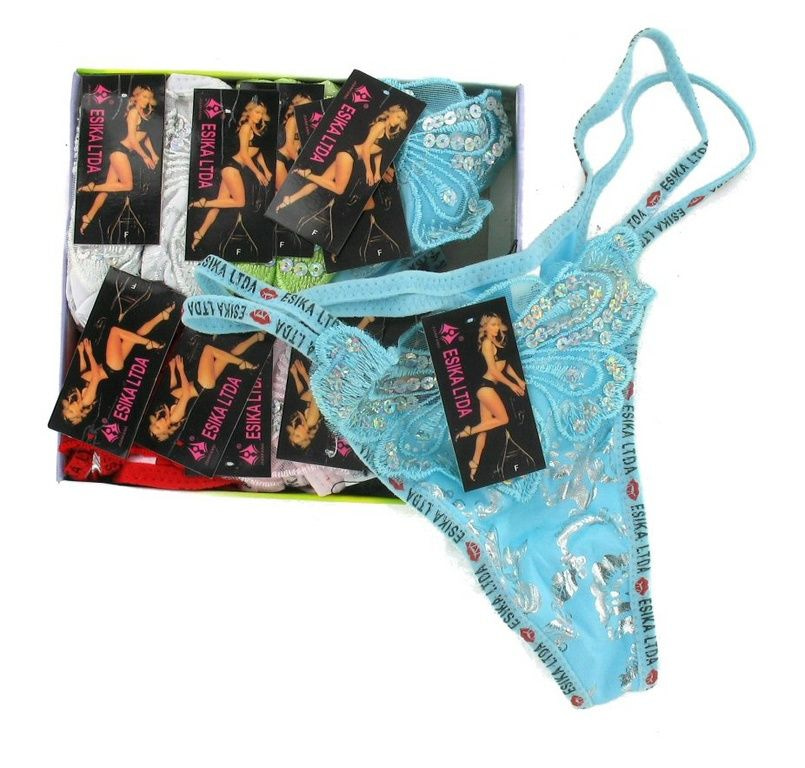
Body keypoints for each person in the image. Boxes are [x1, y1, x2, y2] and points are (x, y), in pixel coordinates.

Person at [275, 105, 408, 213]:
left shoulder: (388, 131)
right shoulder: (380, 125)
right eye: (397, 116)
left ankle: (290, 199)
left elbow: (378, 152)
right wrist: (369, 171)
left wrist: (378, 172)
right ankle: (307, 174)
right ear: (391, 112)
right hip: (349, 155)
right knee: (339, 189)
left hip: (349, 155)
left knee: (319, 183)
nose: (398, 121)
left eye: (401, 119)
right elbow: (366, 148)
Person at [61, 303, 174, 425]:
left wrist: (81, 353)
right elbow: (96, 376)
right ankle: (150, 343)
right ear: (78, 414)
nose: (70, 406)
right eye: (71, 411)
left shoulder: (79, 393)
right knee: (115, 331)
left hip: (111, 365)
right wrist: (89, 353)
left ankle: (162, 316)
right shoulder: (87, 400)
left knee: (136, 336)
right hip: (110, 366)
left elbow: (83, 371)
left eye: (68, 408)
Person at [188, 99, 273, 252]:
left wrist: (266, 170)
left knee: (220, 204)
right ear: (249, 112)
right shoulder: (246, 128)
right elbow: (244, 155)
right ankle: (202, 203)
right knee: (240, 202)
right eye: (257, 112)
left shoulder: (256, 129)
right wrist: (258, 173)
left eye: (262, 113)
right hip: (232, 167)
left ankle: (199, 234)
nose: (260, 116)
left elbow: (257, 152)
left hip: (234, 168)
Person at [148, 332, 265, 441]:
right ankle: (243, 363)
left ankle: (256, 337)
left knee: (229, 355)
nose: (157, 423)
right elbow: (186, 393)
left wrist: (173, 369)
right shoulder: (175, 417)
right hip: (202, 384)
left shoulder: (167, 411)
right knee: (208, 349)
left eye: (155, 424)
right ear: (165, 431)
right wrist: (181, 370)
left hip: (202, 382)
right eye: (158, 427)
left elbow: (173, 388)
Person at [78, 85, 161, 235]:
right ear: (136, 97)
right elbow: (133, 140)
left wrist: (153, 154)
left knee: (108, 188)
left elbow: (145, 136)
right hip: (119, 151)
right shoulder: (133, 112)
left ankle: (88, 217)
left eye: (149, 97)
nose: (146, 100)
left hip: (122, 152)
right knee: (127, 185)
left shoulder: (143, 114)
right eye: (144, 96)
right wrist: (146, 157)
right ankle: (90, 188)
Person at [455, 313, 529, 482]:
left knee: (486, 428)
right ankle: (467, 431)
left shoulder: (496, 342)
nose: (496, 328)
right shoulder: (487, 343)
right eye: (493, 325)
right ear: (485, 327)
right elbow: (494, 371)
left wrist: (518, 380)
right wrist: (512, 385)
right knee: (503, 419)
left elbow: (505, 365)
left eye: (498, 324)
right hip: (485, 387)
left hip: (488, 387)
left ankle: (474, 463)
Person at [285, 357, 321, 450]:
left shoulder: (301, 420)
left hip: (313, 377)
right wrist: (303, 373)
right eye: (298, 435)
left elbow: (301, 395)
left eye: (293, 433)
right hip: (319, 378)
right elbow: (317, 392)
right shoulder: (311, 420)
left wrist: (295, 375)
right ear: (306, 438)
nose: (296, 430)